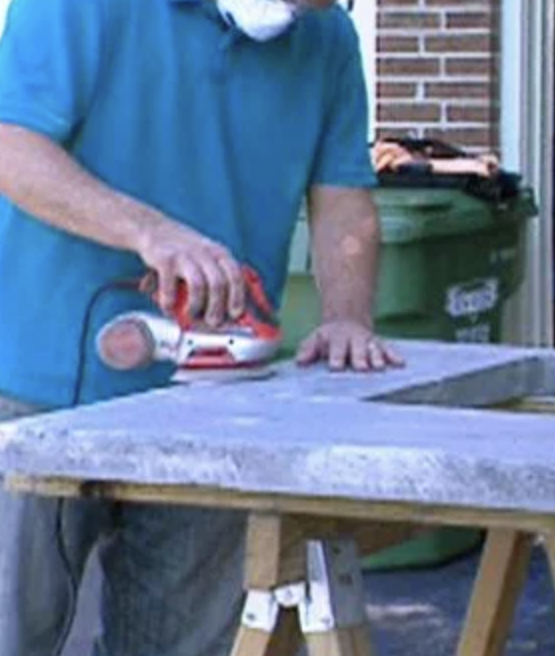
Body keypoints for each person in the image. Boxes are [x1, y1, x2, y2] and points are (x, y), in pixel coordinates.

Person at [0, 0, 404, 653]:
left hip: (211, 402)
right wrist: (148, 231)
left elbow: (343, 196)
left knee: (192, 644)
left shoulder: (326, 36)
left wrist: (347, 318)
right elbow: (12, 145)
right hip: (29, 384)